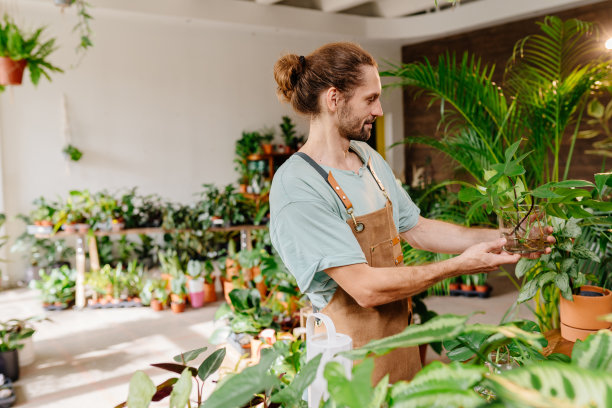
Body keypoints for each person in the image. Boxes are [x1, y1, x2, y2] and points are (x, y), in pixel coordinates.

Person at [269, 42, 553, 383]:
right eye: (370, 99)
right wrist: (460, 266)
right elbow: (365, 288)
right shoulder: (299, 186)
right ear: (334, 98)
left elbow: (417, 228)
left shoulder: (368, 159)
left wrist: (508, 237)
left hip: (400, 340)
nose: (380, 111)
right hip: (349, 360)